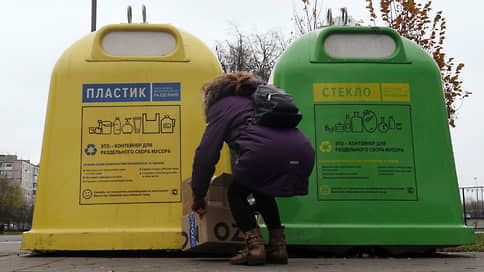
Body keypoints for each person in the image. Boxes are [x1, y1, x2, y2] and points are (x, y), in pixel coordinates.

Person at [191, 72, 315, 265]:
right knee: (261, 189)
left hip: (264, 153)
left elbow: (206, 155)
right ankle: (278, 247)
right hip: (301, 152)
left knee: (236, 193)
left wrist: (198, 194)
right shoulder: (260, 99)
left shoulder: (222, 106)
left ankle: (255, 248)